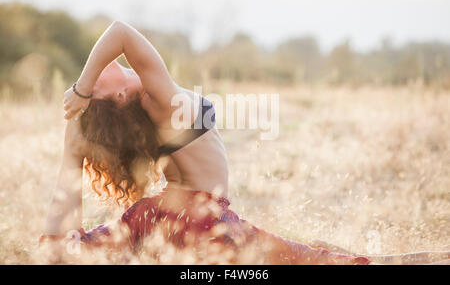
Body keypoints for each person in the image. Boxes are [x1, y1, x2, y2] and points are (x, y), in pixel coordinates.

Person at [40, 21, 448, 265]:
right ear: (118, 99)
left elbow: (116, 41)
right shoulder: (158, 98)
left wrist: (71, 148)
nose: (99, 67)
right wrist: (80, 89)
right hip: (201, 221)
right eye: (99, 81)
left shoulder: (151, 108)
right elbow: (120, 32)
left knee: (69, 250)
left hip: (159, 215)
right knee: (322, 261)